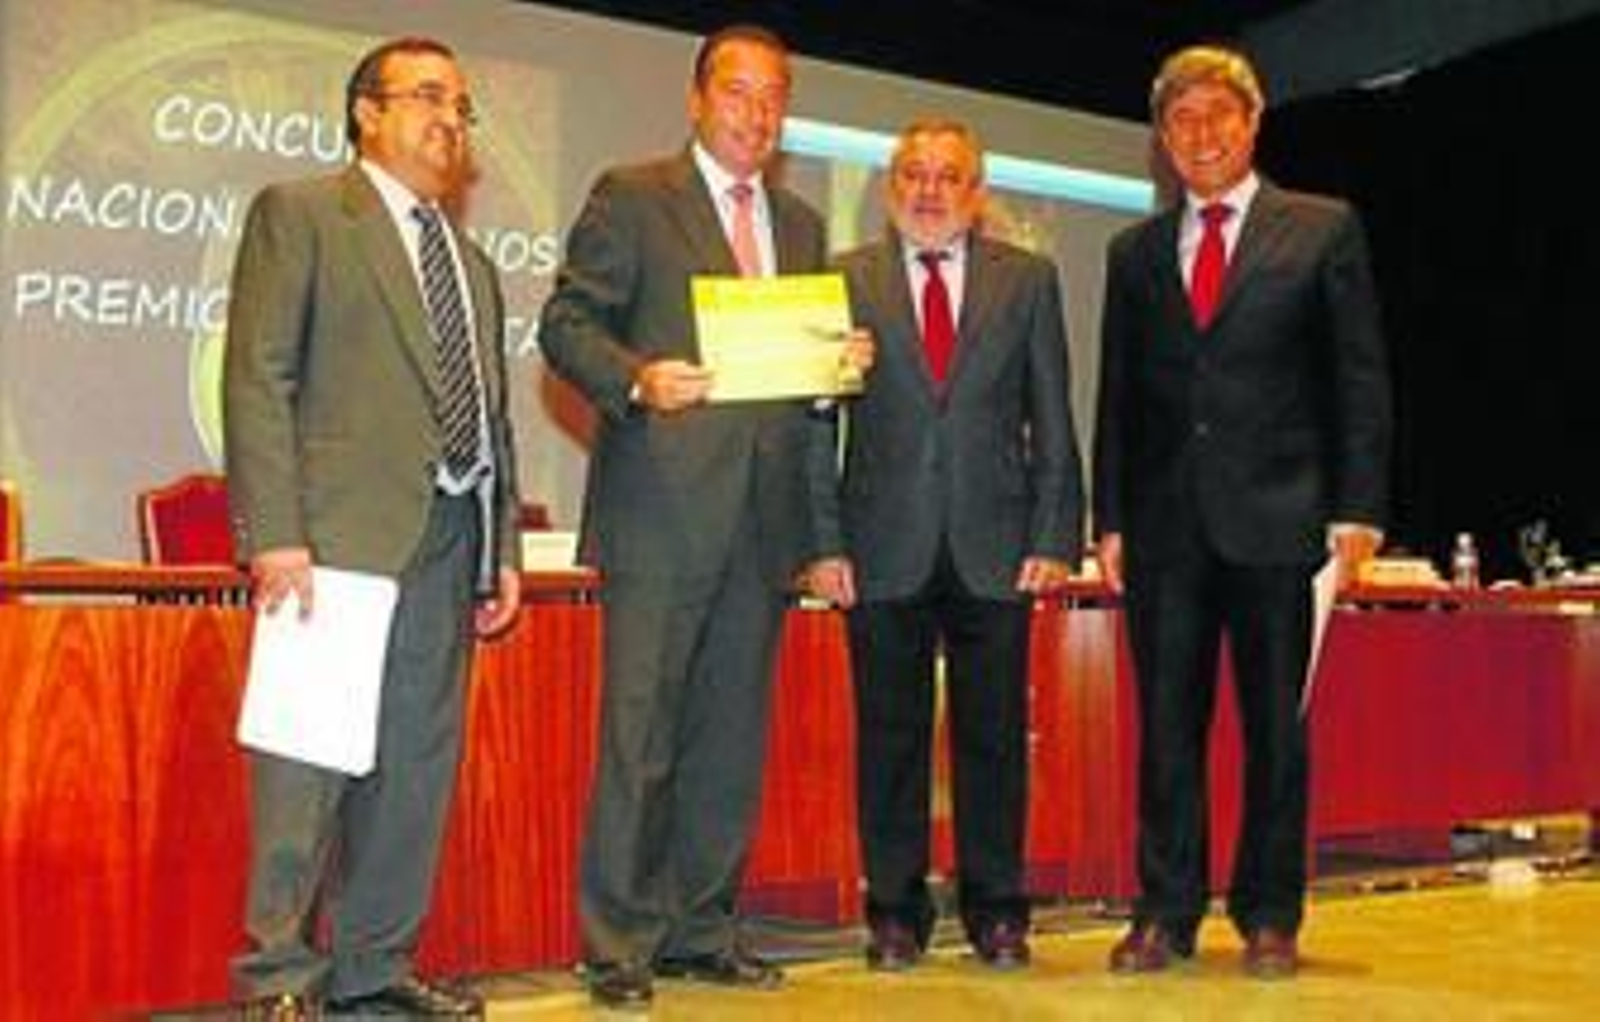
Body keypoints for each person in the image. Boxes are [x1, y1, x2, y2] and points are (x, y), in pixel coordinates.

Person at [538, 24, 859, 1012]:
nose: (756, 113)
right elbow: (565, 323)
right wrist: (635, 380)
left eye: (773, 97)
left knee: (727, 741)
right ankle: (618, 942)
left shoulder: (803, 227)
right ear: (695, 99)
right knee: (641, 735)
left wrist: (835, 375)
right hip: (661, 515)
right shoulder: (633, 195)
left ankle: (700, 929)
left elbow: (802, 404)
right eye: (737, 92)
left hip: (761, 523)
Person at [224, 36, 522, 1018]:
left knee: (415, 769)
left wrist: (500, 546)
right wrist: (275, 532)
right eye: (429, 97)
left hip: (447, 540)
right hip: (332, 543)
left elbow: (491, 416)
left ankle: (374, 965)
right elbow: (259, 375)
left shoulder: (471, 262)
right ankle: (278, 980)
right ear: (366, 110)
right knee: (306, 770)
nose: (451, 120)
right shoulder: (304, 213)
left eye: (462, 105)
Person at [1093, 44, 1391, 979]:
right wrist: (1111, 519)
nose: (1201, 133)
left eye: (1219, 114)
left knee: (1275, 731)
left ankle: (1270, 915)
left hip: (1283, 523)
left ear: (1252, 123)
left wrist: (1358, 510)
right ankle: (1166, 912)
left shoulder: (1321, 228)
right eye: (1181, 120)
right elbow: (1118, 399)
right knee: (1167, 730)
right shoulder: (1132, 252)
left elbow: (1359, 378)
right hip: (1167, 530)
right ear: (1161, 139)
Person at [805, 118, 1083, 972]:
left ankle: (998, 909)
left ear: (977, 192)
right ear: (891, 188)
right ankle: (894, 911)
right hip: (878, 544)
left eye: (948, 176)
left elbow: (1052, 413)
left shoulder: (1028, 280)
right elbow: (812, 424)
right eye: (914, 174)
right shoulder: (841, 278)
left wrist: (1053, 534)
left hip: (994, 545)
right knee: (888, 739)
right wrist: (822, 542)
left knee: (993, 739)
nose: (930, 190)